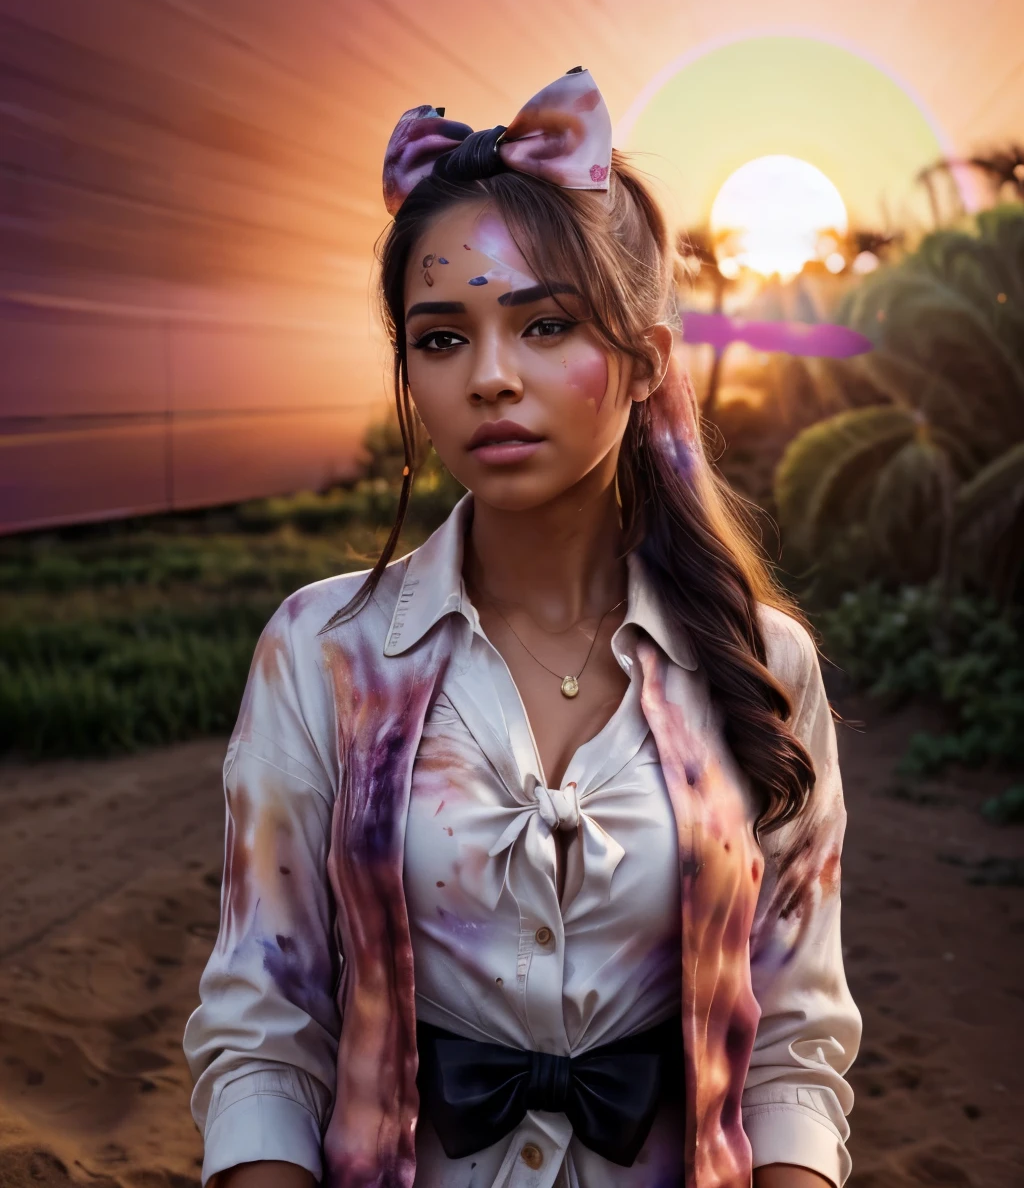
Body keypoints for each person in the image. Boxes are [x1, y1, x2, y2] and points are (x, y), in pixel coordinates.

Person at [184, 69, 861, 1188]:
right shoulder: (322, 653)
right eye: (441, 339)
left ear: (644, 360)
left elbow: (796, 1047)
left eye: (546, 325)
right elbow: (262, 1030)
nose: (490, 379)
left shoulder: (763, 664)